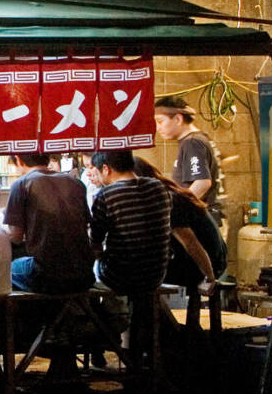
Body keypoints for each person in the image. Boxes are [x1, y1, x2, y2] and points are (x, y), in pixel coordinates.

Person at [4, 153, 95, 294]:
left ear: (18, 159)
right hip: (85, 275)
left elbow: (15, 237)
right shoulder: (75, 182)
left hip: (47, 277)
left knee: (5, 269)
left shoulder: (21, 184)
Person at [133, 158, 226, 291]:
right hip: (205, 261)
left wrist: (209, 278)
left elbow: (190, 242)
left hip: (206, 264)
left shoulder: (168, 200)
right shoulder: (167, 194)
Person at [89, 151, 172, 297]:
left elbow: (95, 242)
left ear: (106, 169)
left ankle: (112, 315)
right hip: (157, 274)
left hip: (121, 278)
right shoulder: (159, 187)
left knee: (93, 268)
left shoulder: (106, 195)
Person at [154, 95, 222, 223]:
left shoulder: (192, 142)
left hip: (202, 220)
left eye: (160, 121)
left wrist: (177, 211)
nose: (158, 128)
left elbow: (202, 183)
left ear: (178, 119)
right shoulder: (198, 138)